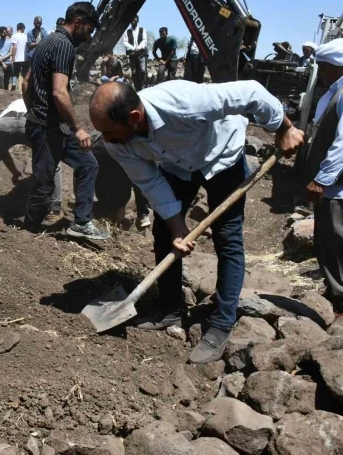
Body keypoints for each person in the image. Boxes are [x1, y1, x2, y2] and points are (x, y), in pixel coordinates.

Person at [89, 81, 304, 363]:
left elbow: (251, 92)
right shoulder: (117, 142)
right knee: (164, 232)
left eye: (109, 131)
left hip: (223, 156)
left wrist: (284, 128)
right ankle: (170, 310)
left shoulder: (185, 102)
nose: (105, 138)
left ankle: (222, 323)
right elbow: (150, 181)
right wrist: (177, 225)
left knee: (227, 238)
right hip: (178, 167)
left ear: (134, 117)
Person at [22, 2, 107, 241]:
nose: (89, 36)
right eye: (89, 30)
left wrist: (34, 110)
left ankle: (81, 222)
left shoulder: (47, 41)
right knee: (44, 184)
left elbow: (26, 83)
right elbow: (60, 93)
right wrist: (78, 128)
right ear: (78, 22)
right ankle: (27, 235)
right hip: (48, 127)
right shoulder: (64, 46)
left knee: (88, 163)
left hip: (53, 124)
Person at [304, 39, 343, 312]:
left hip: (336, 189)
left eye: (323, 66)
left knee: (333, 242)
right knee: (328, 241)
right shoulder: (335, 91)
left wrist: (322, 179)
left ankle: (339, 299)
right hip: (333, 187)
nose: (320, 71)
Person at [0, 99, 63, 218]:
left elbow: (2, 152)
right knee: (54, 163)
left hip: (5, 123)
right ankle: (54, 208)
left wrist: (14, 172)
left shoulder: (12, 104)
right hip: (28, 121)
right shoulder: (38, 101)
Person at [124, 15, 148, 91]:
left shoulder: (142, 30)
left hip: (141, 54)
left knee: (143, 70)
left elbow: (144, 41)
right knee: (134, 72)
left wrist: (138, 48)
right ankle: (137, 89)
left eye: (134, 18)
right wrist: (133, 48)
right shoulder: (127, 31)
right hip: (132, 55)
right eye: (131, 19)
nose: (133, 20)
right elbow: (125, 42)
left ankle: (144, 86)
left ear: (137, 20)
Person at [10, 22, 28, 90]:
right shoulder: (25, 36)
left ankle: (14, 85)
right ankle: (25, 87)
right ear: (23, 28)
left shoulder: (14, 36)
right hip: (25, 59)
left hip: (17, 58)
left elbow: (14, 47)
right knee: (24, 74)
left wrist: (13, 58)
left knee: (15, 73)